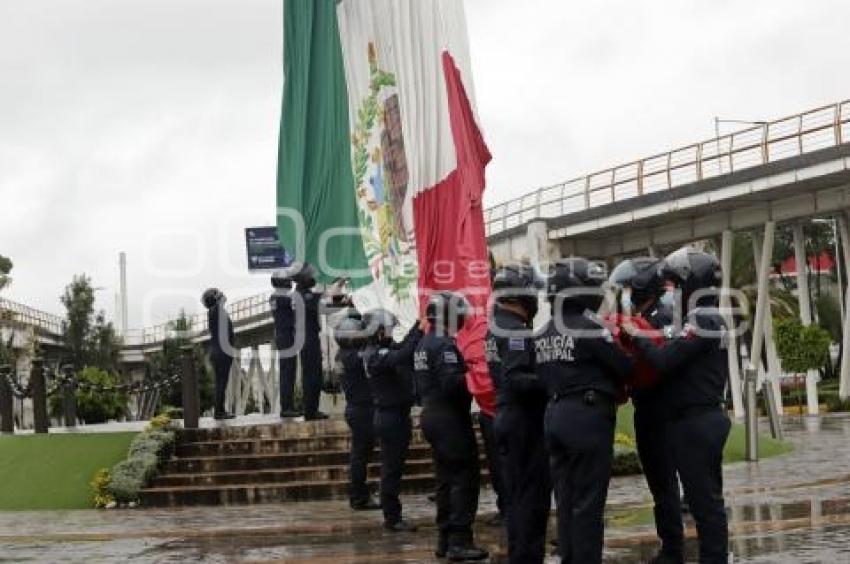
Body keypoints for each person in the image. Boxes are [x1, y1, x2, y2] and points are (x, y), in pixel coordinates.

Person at [622, 248, 731, 564]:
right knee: (703, 501)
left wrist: (636, 334)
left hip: (697, 421)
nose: (673, 292)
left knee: (705, 504)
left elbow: (664, 360)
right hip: (696, 419)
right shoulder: (703, 317)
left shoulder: (703, 318)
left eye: (676, 285)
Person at [535, 258, 633, 564]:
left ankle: (570, 557)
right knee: (588, 501)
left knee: (565, 500)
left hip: (554, 415)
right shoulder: (590, 328)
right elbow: (624, 367)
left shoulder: (542, 333)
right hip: (586, 418)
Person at [609, 258, 683, 564]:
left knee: (664, 483)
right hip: (648, 408)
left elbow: (661, 361)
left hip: (661, 409)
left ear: (641, 288)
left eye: (626, 289)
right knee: (659, 483)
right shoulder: (644, 316)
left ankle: (673, 550)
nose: (624, 296)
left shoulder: (661, 317)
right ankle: (670, 545)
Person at [414, 291, 488, 562]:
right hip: (449, 417)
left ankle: (445, 538)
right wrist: (473, 374)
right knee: (463, 478)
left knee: (445, 479)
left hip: (432, 413)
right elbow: (452, 384)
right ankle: (459, 540)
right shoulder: (444, 346)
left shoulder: (424, 343)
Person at [486, 264, 550, 563]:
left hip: (506, 415)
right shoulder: (515, 330)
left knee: (515, 495)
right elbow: (516, 378)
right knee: (531, 497)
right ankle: (527, 555)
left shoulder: (496, 325)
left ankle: (519, 552)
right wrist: (552, 380)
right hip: (522, 419)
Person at [361, 310, 423, 532]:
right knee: (391, 469)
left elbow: (404, 346)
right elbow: (403, 355)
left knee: (393, 468)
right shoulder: (374, 355)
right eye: (387, 328)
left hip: (396, 416)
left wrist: (419, 323)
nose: (390, 332)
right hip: (389, 418)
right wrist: (420, 330)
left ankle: (393, 514)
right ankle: (392, 517)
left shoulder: (381, 350)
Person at [334, 311, 379, 511]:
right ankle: (359, 496)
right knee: (360, 455)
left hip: (355, 408)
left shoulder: (341, 355)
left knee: (360, 454)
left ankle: (359, 493)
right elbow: (371, 354)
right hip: (362, 410)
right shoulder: (354, 357)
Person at [202, 288, 236, 420]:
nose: (222, 295)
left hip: (220, 351)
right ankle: (219, 412)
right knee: (221, 383)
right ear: (214, 299)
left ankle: (220, 410)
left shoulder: (215, 311)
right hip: (221, 352)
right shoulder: (216, 311)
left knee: (221, 382)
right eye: (219, 294)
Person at [270, 273, 300, 418]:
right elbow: (297, 309)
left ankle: (287, 406)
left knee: (286, 371)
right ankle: (287, 407)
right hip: (287, 336)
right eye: (287, 280)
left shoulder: (274, 297)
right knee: (288, 372)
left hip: (281, 335)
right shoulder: (284, 297)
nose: (290, 282)